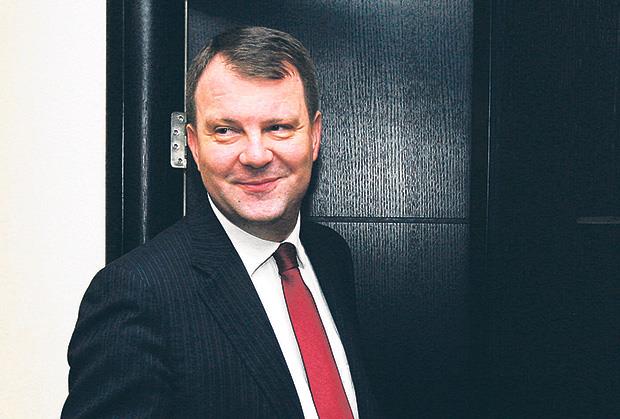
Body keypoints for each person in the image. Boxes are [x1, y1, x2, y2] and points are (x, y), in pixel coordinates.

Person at [62, 26, 378, 418]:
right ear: (194, 145)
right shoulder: (137, 294)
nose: (256, 155)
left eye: (278, 127)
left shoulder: (330, 254)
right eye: (226, 131)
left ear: (314, 137)